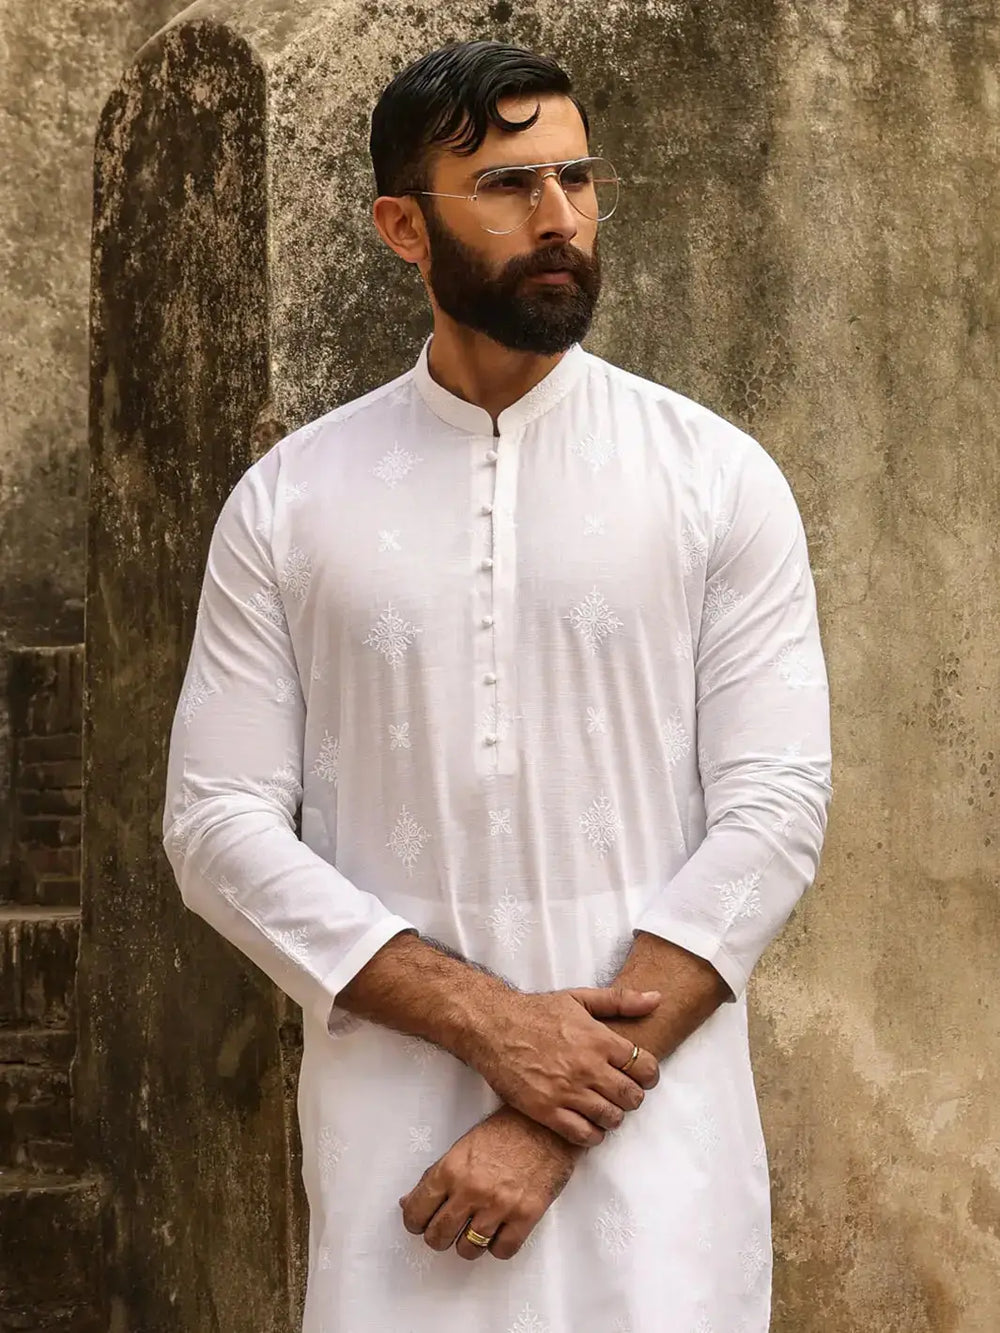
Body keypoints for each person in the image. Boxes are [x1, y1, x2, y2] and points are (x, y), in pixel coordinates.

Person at [163, 38, 832, 1333]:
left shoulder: (713, 478)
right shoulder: (293, 499)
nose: (561, 218)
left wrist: (544, 1110)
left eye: (577, 178)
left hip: (659, 1159)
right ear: (402, 227)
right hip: (400, 1166)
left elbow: (773, 813)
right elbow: (217, 825)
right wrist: (488, 1024)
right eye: (510, 186)